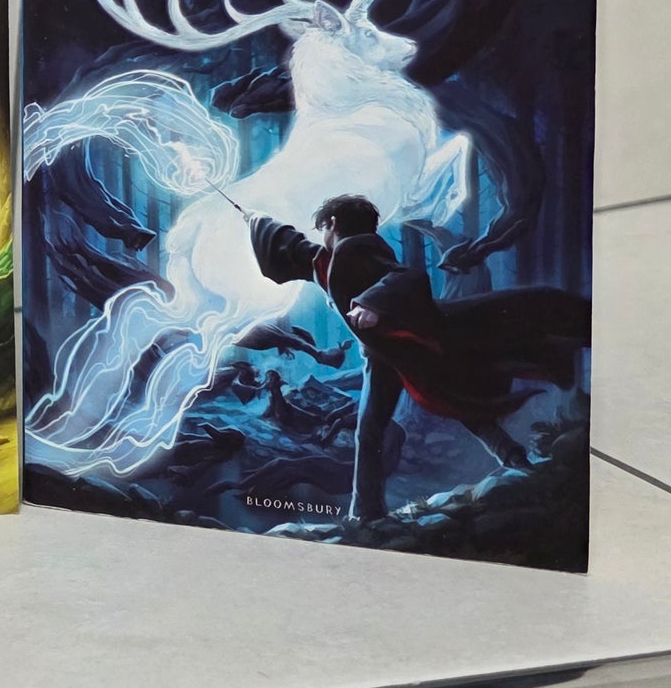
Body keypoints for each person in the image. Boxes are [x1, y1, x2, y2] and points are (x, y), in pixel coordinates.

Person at [251, 195, 589, 522]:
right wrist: (255, 220)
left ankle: (511, 462)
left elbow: (407, 277)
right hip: (384, 356)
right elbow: (291, 251)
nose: (320, 235)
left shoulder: (358, 249)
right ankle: (367, 512)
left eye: (322, 227)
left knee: (443, 407)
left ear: (334, 223)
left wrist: (371, 304)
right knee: (384, 427)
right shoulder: (327, 259)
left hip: (413, 346)